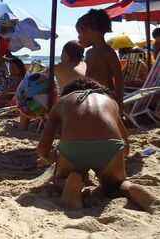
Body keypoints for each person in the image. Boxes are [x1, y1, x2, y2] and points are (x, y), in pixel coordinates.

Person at [37, 78, 155, 213]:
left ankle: (70, 180)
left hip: (73, 149)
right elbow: (126, 149)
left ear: (69, 91)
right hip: (110, 147)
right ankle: (129, 188)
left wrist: (53, 158)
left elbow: (42, 149)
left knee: (60, 181)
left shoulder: (62, 102)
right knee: (115, 186)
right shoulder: (110, 101)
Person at [76, 9, 124, 110]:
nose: (78, 37)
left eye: (79, 33)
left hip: (106, 96)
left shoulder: (108, 52)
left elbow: (119, 78)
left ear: (89, 31)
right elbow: (88, 77)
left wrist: (119, 103)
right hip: (90, 94)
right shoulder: (89, 53)